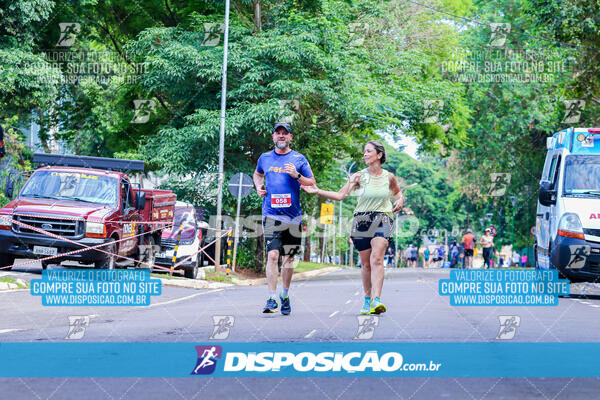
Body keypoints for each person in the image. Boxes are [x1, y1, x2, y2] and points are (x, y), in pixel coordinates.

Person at [302, 141, 403, 314]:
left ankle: (376, 300)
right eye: (364, 151)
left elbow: (398, 193)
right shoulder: (358, 176)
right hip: (362, 220)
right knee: (365, 265)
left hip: (382, 218)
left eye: (368, 151)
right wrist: (317, 191)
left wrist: (400, 200)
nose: (365, 154)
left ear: (379, 155)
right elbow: (341, 195)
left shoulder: (389, 177)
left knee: (377, 258)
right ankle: (366, 299)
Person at [254, 122, 316, 315]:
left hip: (293, 217)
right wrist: (258, 187)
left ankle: (285, 294)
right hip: (271, 214)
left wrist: (296, 175)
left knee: (289, 258)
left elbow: (311, 182)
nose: (281, 136)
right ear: (273, 137)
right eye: (278, 133)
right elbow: (257, 174)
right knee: (273, 255)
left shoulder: (299, 158)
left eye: (285, 133)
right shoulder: (264, 158)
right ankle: (271, 298)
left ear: (290, 137)